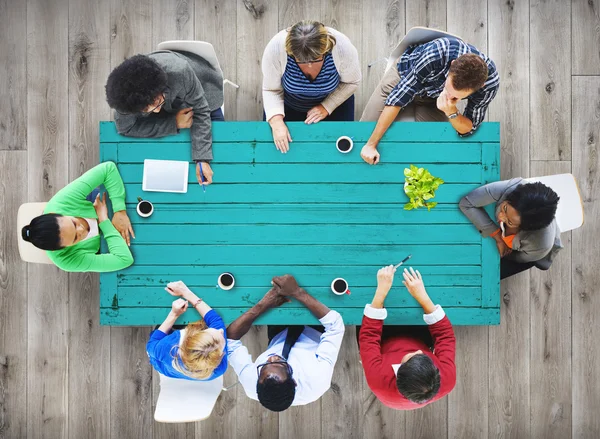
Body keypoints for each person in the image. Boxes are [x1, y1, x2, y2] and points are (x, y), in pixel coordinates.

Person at [359, 37, 499, 165]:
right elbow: (398, 98)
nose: (449, 97)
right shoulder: (437, 52)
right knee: (365, 133)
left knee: (433, 151)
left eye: (456, 97)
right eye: (448, 89)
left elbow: (469, 128)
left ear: (481, 86)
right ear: (452, 65)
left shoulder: (489, 85)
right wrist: (371, 145)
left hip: (432, 99)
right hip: (403, 76)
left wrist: (451, 111)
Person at [226, 275, 345, 412]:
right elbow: (335, 326)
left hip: (279, 332)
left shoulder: (251, 382)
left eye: (265, 365)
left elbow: (230, 339)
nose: (272, 358)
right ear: (294, 382)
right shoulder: (317, 379)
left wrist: (264, 304)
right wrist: (297, 292)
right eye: (279, 363)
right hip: (317, 326)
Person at [105, 50, 224, 186]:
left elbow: (202, 110)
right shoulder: (125, 100)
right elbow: (125, 128)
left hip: (203, 88)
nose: (156, 111)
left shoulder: (180, 71)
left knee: (221, 145)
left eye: (156, 103)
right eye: (146, 110)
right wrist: (173, 123)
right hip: (171, 102)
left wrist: (202, 159)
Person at [359, 265, 456, 410]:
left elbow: (368, 338)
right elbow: (445, 337)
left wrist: (381, 291)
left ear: (398, 370)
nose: (418, 351)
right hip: (419, 337)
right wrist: (422, 296)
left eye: (411, 356)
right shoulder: (447, 379)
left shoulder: (378, 380)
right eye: (425, 356)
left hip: (383, 343)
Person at [262, 20, 361, 153]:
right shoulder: (276, 47)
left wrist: (327, 106)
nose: (309, 65)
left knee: (335, 154)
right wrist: (276, 121)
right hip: (288, 105)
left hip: (335, 105)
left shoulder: (342, 47)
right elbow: (271, 89)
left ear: (325, 49)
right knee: (279, 153)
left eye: (315, 59)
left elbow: (352, 82)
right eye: (301, 60)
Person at [21, 161, 134, 272]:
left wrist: (120, 210)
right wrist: (103, 220)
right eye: (76, 238)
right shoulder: (65, 260)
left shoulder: (61, 202)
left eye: (74, 223)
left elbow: (108, 169)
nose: (83, 230)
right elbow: (124, 259)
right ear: (62, 249)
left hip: (97, 204)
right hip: (103, 240)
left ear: (54, 213)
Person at [459, 178, 562, 279]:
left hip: (528, 254)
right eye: (504, 208)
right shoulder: (511, 187)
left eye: (510, 222)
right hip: (512, 236)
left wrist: (504, 254)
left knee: (484, 276)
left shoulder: (540, 245)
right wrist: (498, 236)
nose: (500, 216)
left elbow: (517, 258)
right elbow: (466, 203)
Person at [146, 281, 228, 381]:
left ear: (194, 335)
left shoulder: (167, 346)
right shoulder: (219, 368)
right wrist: (186, 293)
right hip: (181, 370)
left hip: (162, 363)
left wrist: (174, 314)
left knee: (159, 330)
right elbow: (216, 320)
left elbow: (151, 345)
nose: (220, 331)